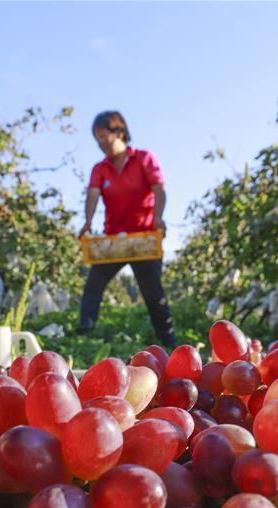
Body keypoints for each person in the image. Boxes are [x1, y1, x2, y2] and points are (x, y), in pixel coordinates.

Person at [76, 111, 177, 348]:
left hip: (143, 239)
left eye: (104, 137)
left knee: (153, 293)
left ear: (119, 132)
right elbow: (93, 194)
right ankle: (82, 333)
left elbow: (159, 189)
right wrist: (88, 221)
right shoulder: (100, 169)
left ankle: (169, 341)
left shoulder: (143, 158)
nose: (100, 143)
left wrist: (158, 217)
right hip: (115, 241)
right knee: (94, 284)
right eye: (97, 139)